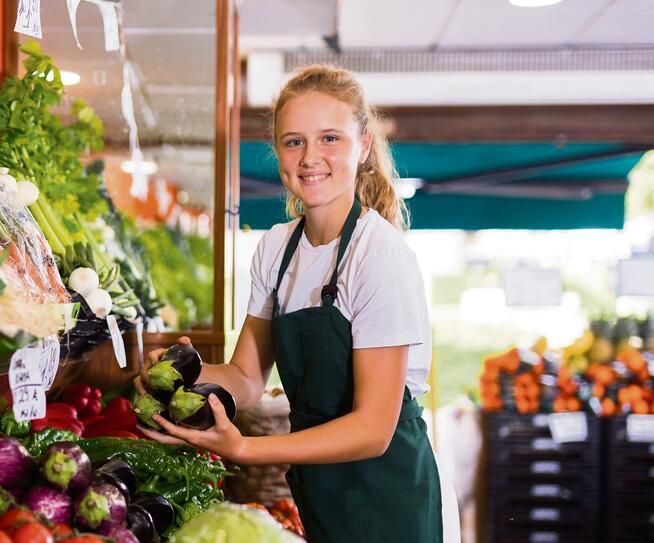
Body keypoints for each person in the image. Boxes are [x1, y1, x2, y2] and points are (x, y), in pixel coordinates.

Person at [136, 65, 444, 542]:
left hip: (386, 490)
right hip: (319, 484)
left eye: (330, 139)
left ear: (363, 146)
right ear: (277, 150)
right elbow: (246, 378)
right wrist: (181, 375)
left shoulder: (378, 254)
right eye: (294, 141)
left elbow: (372, 428)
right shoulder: (277, 249)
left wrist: (245, 449)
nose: (309, 158)